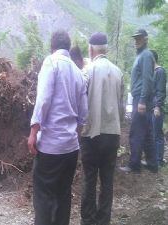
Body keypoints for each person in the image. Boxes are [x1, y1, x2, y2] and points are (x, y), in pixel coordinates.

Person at [28, 30, 88, 225]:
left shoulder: (51, 62)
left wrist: (33, 132)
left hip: (50, 147)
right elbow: (83, 114)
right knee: (63, 195)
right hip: (71, 148)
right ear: (68, 47)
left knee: (44, 196)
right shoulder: (78, 73)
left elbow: (43, 100)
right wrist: (73, 136)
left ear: (52, 46)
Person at [80, 32, 124, 225]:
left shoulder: (88, 71)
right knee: (107, 180)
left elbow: (81, 102)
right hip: (113, 133)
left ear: (91, 49)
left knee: (89, 178)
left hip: (92, 133)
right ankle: (103, 220)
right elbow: (121, 107)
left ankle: (88, 220)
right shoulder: (118, 72)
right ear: (106, 49)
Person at [120, 29, 158, 173]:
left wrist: (141, 100)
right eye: (135, 39)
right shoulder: (141, 55)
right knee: (147, 132)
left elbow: (147, 79)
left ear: (146, 39)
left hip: (141, 99)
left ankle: (134, 165)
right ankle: (152, 163)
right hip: (142, 98)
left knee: (136, 132)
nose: (136, 41)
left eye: (139, 38)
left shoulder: (146, 55)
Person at [150, 50, 166, 166]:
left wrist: (157, 107)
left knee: (157, 134)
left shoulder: (160, 71)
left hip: (157, 108)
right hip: (152, 107)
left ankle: (159, 160)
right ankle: (154, 159)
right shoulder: (153, 72)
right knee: (153, 133)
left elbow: (161, 91)